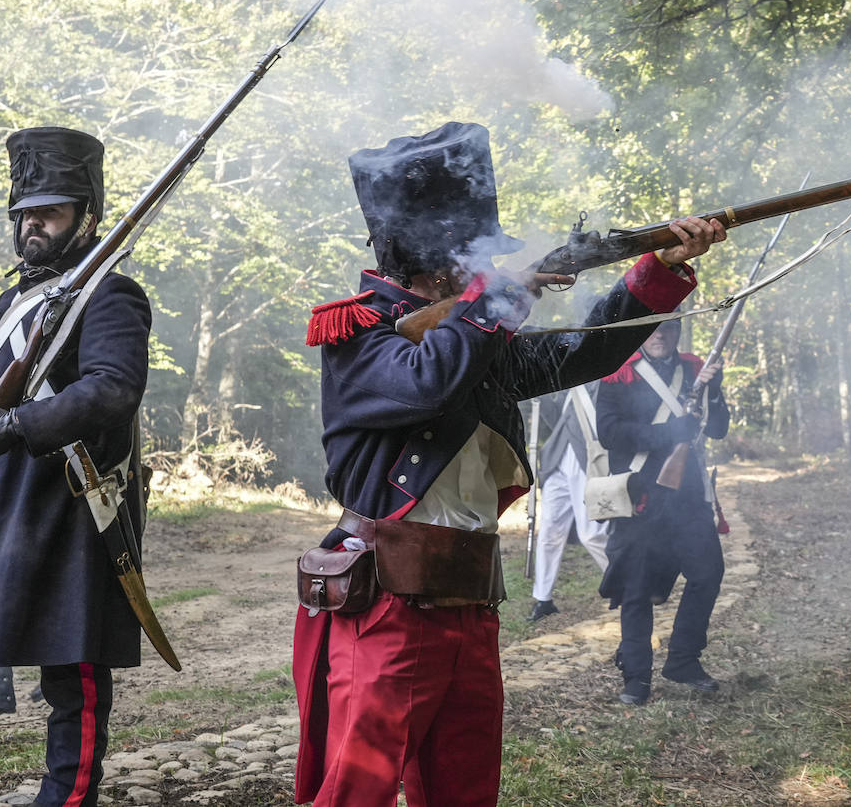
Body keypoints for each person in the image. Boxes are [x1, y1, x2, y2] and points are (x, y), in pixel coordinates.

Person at [291, 121, 725, 807]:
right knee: (357, 793)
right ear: (439, 264)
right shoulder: (359, 333)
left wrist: (657, 273)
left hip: (470, 599)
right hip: (388, 608)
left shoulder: (472, 331)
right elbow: (428, 380)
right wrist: (496, 300)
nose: (490, 270)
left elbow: (584, 353)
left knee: (465, 791)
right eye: (478, 258)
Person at [0, 127, 153, 806]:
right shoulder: (15, 298)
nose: (32, 224)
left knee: (71, 676)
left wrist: (19, 425)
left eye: (48, 211)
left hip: (66, 508)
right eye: (25, 212)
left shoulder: (111, 295)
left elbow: (111, 389)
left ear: (86, 216)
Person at [597, 317, 729, 705]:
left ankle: (684, 659)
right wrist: (671, 432)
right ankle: (637, 677)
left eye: (668, 329)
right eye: (653, 329)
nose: (660, 335)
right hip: (639, 496)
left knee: (708, 572)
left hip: (688, 497)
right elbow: (609, 432)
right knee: (635, 590)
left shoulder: (694, 369)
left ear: (677, 333)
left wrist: (714, 390)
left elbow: (718, 428)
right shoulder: (617, 372)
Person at [525, 382, 610, 622]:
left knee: (592, 533)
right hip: (558, 461)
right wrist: (538, 397)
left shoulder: (601, 378)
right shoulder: (570, 377)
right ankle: (543, 598)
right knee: (550, 531)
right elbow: (558, 421)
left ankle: (626, 583)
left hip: (588, 460)